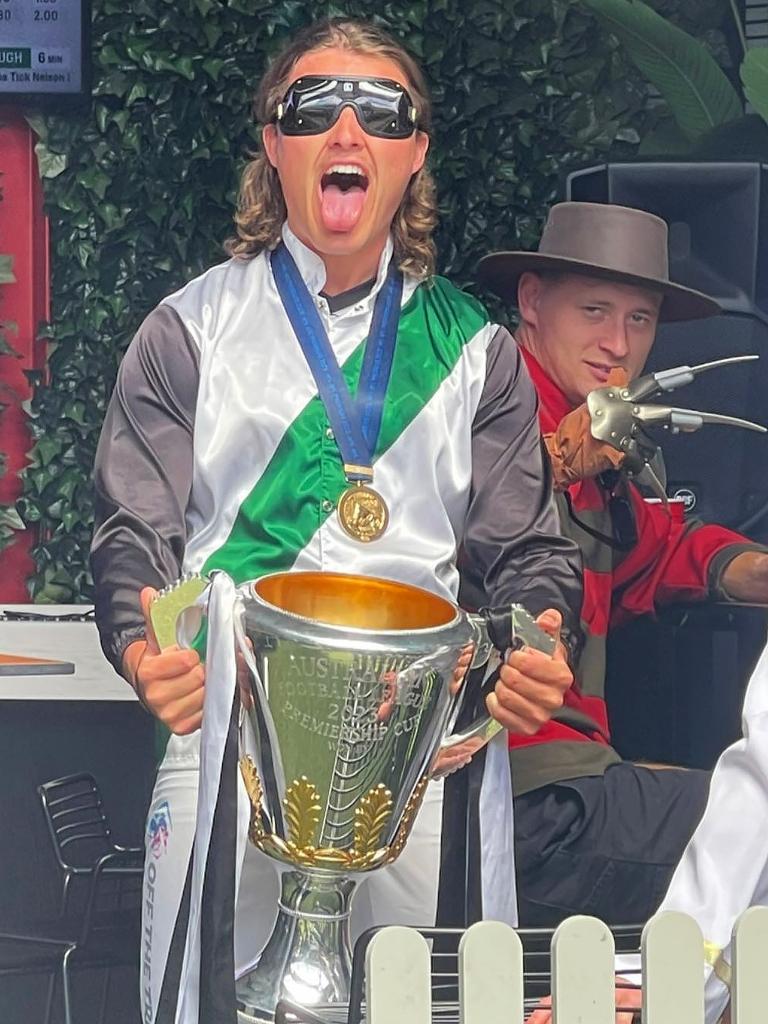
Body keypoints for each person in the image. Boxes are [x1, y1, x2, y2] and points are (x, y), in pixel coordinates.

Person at [90, 20, 582, 1024]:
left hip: (421, 757)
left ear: (416, 152)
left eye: (382, 110)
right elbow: (132, 530)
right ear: (274, 143)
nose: (347, 126)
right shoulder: (185, 330)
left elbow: (530, 553)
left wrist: (536, 642)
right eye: (314, 107)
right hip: (230, 740)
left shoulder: (477, 354)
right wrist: (147, 646)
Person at [476, 201, 768, 928]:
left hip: (577, 786)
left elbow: (661, 546)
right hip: (511, 801)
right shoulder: (476, 403)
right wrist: (552, 462)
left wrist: (752, 569)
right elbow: (432, 509)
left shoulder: (608, 441)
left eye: (640, 320)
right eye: (596, 311)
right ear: (533, 301)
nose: (618, 343)